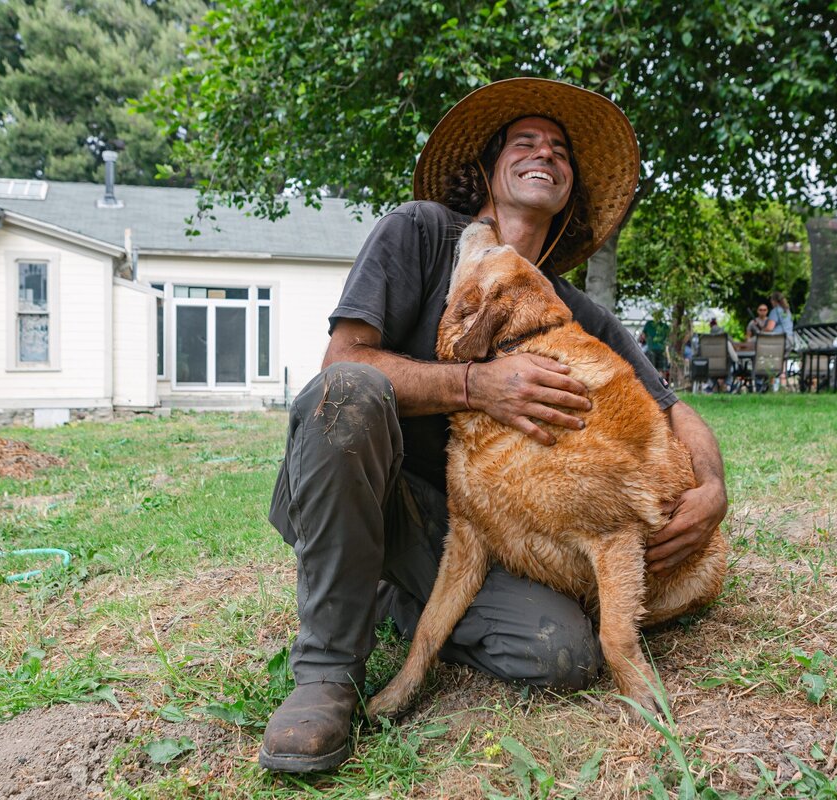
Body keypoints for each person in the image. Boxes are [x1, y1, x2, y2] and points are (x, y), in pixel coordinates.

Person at [259, 78, 728, 773]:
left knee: (561, 652)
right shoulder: (417, 232)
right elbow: (342, 361)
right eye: (526, 142)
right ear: (486, 170)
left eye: (561, 150)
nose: (547, 153)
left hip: (465, 530)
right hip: (369, 487)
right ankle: (326, 672)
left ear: (570, 189)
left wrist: (712, 489)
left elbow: (675, 410)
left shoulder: (571, 312)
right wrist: (477, 384)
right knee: (351, 390)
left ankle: (396, 593)